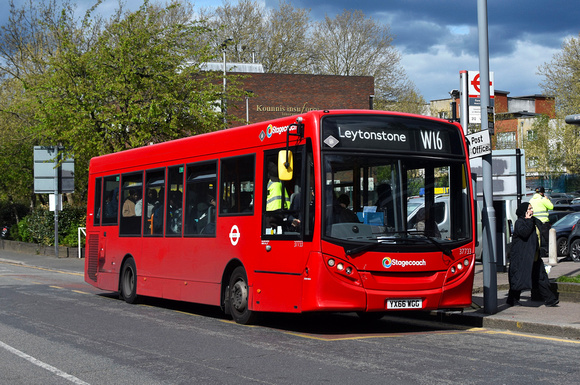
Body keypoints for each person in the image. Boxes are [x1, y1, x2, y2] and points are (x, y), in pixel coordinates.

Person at [506, 202, 559, 307]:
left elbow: (542, 230)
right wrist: (528, 220)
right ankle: (512, 299)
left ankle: (550, 300)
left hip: (534, 256)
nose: (532, 211)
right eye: (529, 209)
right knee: (519, 278)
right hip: (522, 257)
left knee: (541, 278)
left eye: (531, 208)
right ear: (524, 211)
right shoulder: (520, 223)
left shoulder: (533, 221)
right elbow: (525, 233)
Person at [529, 186, 553, 258]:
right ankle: (550, 255)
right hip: (544, 222)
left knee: (537, 239)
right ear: (542, 193)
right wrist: (547, 199)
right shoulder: (543, 199)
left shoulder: (531, 200)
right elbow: (551, 207)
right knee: (548, 240)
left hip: (535, 223)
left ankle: (537, 255)